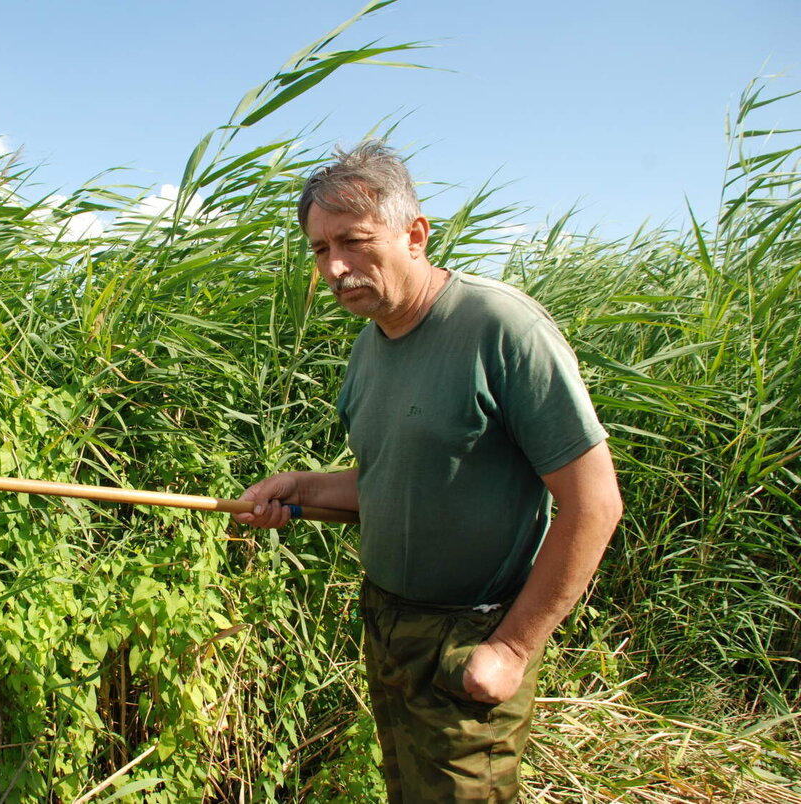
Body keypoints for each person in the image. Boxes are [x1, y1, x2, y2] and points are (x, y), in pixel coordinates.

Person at [234, 141, 622, 802]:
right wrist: (304, 489)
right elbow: (397, 480)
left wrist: (513, 650)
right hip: (387, 624)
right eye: (320, 250)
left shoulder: (500, 327)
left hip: (468, 637)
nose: (335, 267)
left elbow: (594, 503)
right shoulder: (369, 345)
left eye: (354, 242)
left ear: (415, 235)